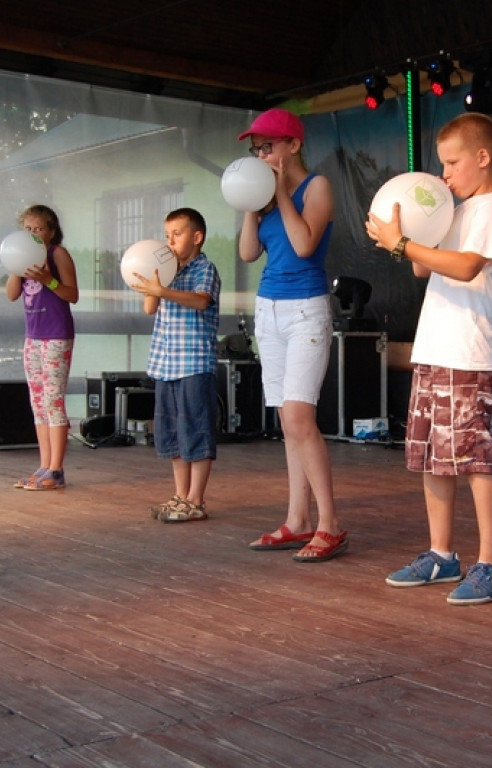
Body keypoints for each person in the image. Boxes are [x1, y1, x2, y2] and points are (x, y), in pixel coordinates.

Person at [365, 113, 492, 605]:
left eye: (452, 163)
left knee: (476, 459)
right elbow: (419, 266)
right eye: (441, 165)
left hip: (470, 355)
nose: (446, 174)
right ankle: (441, 554)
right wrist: (407, 234)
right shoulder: (460, 211)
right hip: (436, 350)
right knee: (433, 458)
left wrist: (405, 242)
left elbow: (470, 267)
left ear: (483, 157)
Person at [237, 108, 348, 562]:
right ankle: (297, 519)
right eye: (256, 149)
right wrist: (252, 202)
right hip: (269, 309)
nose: (261, 155)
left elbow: (304, 245)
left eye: (268, 146)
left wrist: (282, 193)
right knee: (287, 422)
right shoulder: (264, 198)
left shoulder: (315, 187)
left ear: (293, 146)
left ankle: (330, 524)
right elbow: (247, 253)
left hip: (306, 308)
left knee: (301, 417)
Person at [133, 208, 221, 523]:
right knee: (171, 432)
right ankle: (180, 495)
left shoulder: (204, 268)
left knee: (196, 429)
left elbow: (200, 300)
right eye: (167, 235)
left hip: (194, 363)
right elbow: (149, 307)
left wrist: (162, 290)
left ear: (196, 237)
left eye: (178, 234)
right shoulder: (167, 271)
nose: (170, 241)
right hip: (166, 364)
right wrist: (152, 284)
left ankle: (196, 499)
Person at [6, 204, 78, 490]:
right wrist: (16, 268)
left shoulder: (57, 254)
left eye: (38, 229)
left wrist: (48, 279)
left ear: (51, 231)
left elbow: (72, 294)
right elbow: (12, 294)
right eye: (27, 229)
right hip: (32, 336)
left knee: (53, 400)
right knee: (38, 404)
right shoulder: (23, 260)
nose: (32, 234)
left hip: (56, 335)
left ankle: (57, 470)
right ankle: (44, 465)